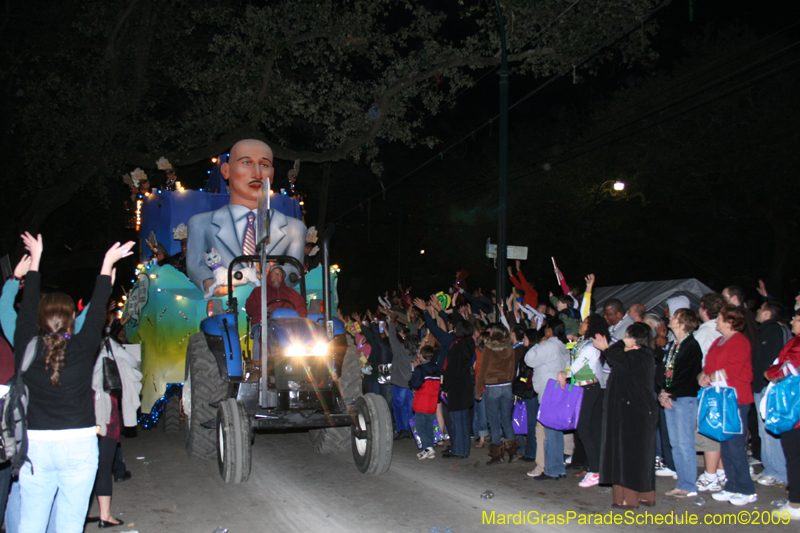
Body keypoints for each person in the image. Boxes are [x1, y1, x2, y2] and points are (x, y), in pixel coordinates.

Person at [15, 232, 133, 533]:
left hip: (36, 446)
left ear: (38, 320)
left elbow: (27, 306)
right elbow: (96, 311)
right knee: (70, 524)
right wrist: (107, 264)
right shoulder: (82, 347)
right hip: (78, 445)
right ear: (71, 320)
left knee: (31, 522)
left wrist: (35, 261)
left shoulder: (25, 346)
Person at [187, 139, 307, 295]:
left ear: (272, 174)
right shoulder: (201, 224)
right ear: (226, 170)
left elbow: (295, 270)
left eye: (264, 165)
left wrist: (278, 273)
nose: (257, 174)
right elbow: (195, 265)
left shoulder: (294, 228)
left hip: (272, 305)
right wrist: (211, 284)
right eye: (246, 162)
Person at [593, 323, 659, 508]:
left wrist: (611, 346)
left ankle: (629, 499)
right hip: (630, 412)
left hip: (635, 413)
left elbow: (614, 357)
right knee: (631, 455)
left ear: (634, 339)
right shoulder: (634, 357)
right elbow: (616, 359)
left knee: (631, 456)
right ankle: (643, 496)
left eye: (627, 336)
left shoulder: (641, 356)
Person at [702, 304, 757, 506]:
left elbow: (733, 369)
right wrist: (702, 376)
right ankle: (732, 486)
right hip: (721, 397)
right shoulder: (719, 340)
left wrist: (709, 376)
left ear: (730, 321)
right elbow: (708, 364)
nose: (716, 320)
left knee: (735, 445)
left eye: (720, 317)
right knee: (725, 444)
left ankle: (746, 489)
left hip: (737, 398)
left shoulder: (740, 342)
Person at [87, 338, 142, 527]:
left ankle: (81, 511)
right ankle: (105, 515)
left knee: (82, 465)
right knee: (104, 463)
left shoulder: (72, 341)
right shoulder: (106, 343)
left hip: (78, 409)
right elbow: (132, 361)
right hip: (103, 407)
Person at [557, 313, 609, 488]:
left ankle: (595, 471)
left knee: (584, 429)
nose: (581, 323)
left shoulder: (591, 347)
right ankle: (596, 469)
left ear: (592, 326)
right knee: (589, 430)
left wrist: (564, 373)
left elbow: (577, 366)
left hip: (589, 389)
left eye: (585, 322)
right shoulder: (583, 343)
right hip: (583, 389)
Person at [659, 309, 703, 498]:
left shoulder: (691, 346)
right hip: (672, 397)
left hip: (684, 398)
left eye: (675, 317)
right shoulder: (674, 345)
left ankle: (689, 485)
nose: (671, 319)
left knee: (684, 443)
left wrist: (669, 392)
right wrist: (662, 392)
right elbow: (666, 372)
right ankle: (682, 482)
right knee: (675, 443)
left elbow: (687, 375)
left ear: (683, 323)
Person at [765, 309, 800, 521]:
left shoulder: (797, 344)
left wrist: (770, 371)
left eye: (797, 318)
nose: (793, 320)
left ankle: (796, 503)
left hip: (794, 410)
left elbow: (786, 369)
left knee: (794, 457)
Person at [524, 318, 569, 480]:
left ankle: (552, 469)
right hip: (556, 390)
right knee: (553, 431)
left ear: (550, 330)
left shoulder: (549, 345)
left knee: (549, 432)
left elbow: (529, 359)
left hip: (548, 392)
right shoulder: (562, 346)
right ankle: (556, 467)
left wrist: (538, 344)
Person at [752, 300, 790, 487]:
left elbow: (767, 360)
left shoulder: (771, 330)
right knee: (765, 430)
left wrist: (760, 382)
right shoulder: (769, 330)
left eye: (760, 308)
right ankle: (772, 469)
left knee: (768, 430)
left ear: (767, 313)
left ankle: (777, 471)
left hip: (768, 386)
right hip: (766, 385)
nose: (757, 311)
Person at [475, 323, 518, 464]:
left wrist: (478, 391)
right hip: (506, 386)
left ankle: (497, 454)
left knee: (493, 421)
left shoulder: (488, 349)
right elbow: (512, 370)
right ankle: (512, 452)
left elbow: (482, 371)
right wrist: (508, 382)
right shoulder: (509, 349)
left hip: (492, 386)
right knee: (506, 419)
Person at [441, 320, 475, 458]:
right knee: (464, 420)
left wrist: (445, 387)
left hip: (456, 386)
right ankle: (464, 449)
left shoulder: (457, 347)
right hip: (466, 384)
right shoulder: (469, 344)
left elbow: (451, 370)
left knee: (457, 420)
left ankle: (458, 450)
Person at [409, 345, 440, 460]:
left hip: (421, 402)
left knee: (421, 427)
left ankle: (427, 448)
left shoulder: (420, 369)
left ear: (421, 356)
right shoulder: (436, 369)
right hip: (432, 403)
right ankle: (430, 448)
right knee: (429, 426)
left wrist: (412, 379)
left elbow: (415, 384)